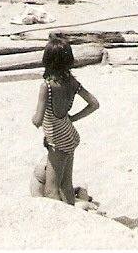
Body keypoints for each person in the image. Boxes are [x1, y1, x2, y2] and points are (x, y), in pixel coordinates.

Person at [31, 37, 100, 204]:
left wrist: (34, 118)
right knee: (66, 185)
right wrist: (72, 118)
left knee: (51, 189)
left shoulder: (46, 87)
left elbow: (38, 121)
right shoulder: (72, 82)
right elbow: (94, 104)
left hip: (58, 141)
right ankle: (73, 213)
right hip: (70, 135)